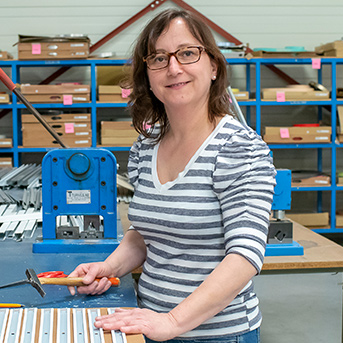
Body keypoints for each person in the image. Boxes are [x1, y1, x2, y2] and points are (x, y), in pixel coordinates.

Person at [68, 8, 276, 343]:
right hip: (147, 323)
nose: (173, 67)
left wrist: (174, 321)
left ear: (213, 67)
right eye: (159, 58)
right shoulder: (147, 143)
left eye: (187, 53)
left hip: (216, 335)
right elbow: (145, 234)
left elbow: (245, 256)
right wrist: (110, 268)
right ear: (148, 75)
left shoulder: (239, 148)